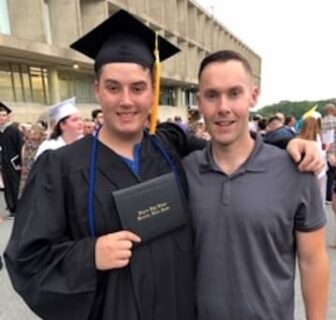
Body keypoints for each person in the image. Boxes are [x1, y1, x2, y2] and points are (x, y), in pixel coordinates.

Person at [4, 10, 326, 320]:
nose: (126, 100)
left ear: (153, 92)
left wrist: (289, 144)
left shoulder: (169, 146)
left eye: (138, 88)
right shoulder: (59, 168)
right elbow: (26, 260)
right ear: (98, 90)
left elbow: (230, 144)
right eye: (114, 87)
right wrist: (88, 256)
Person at [183, 50, 330, 320]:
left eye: (234, 93)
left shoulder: (295, 171)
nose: (223, 107)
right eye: (212, 95)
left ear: (253, 96)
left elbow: (312, 260)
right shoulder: (184, 172)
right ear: (200, 101)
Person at [0, 102, 24, 217]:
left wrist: (20, 162)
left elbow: (21, 147)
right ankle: (11, 207)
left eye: (4, 115)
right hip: (4, 164)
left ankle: (19, 206)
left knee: (16, 185)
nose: (1, 118)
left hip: (14, 163)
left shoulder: (14, 131)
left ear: (8, 117)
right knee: (7, 185)